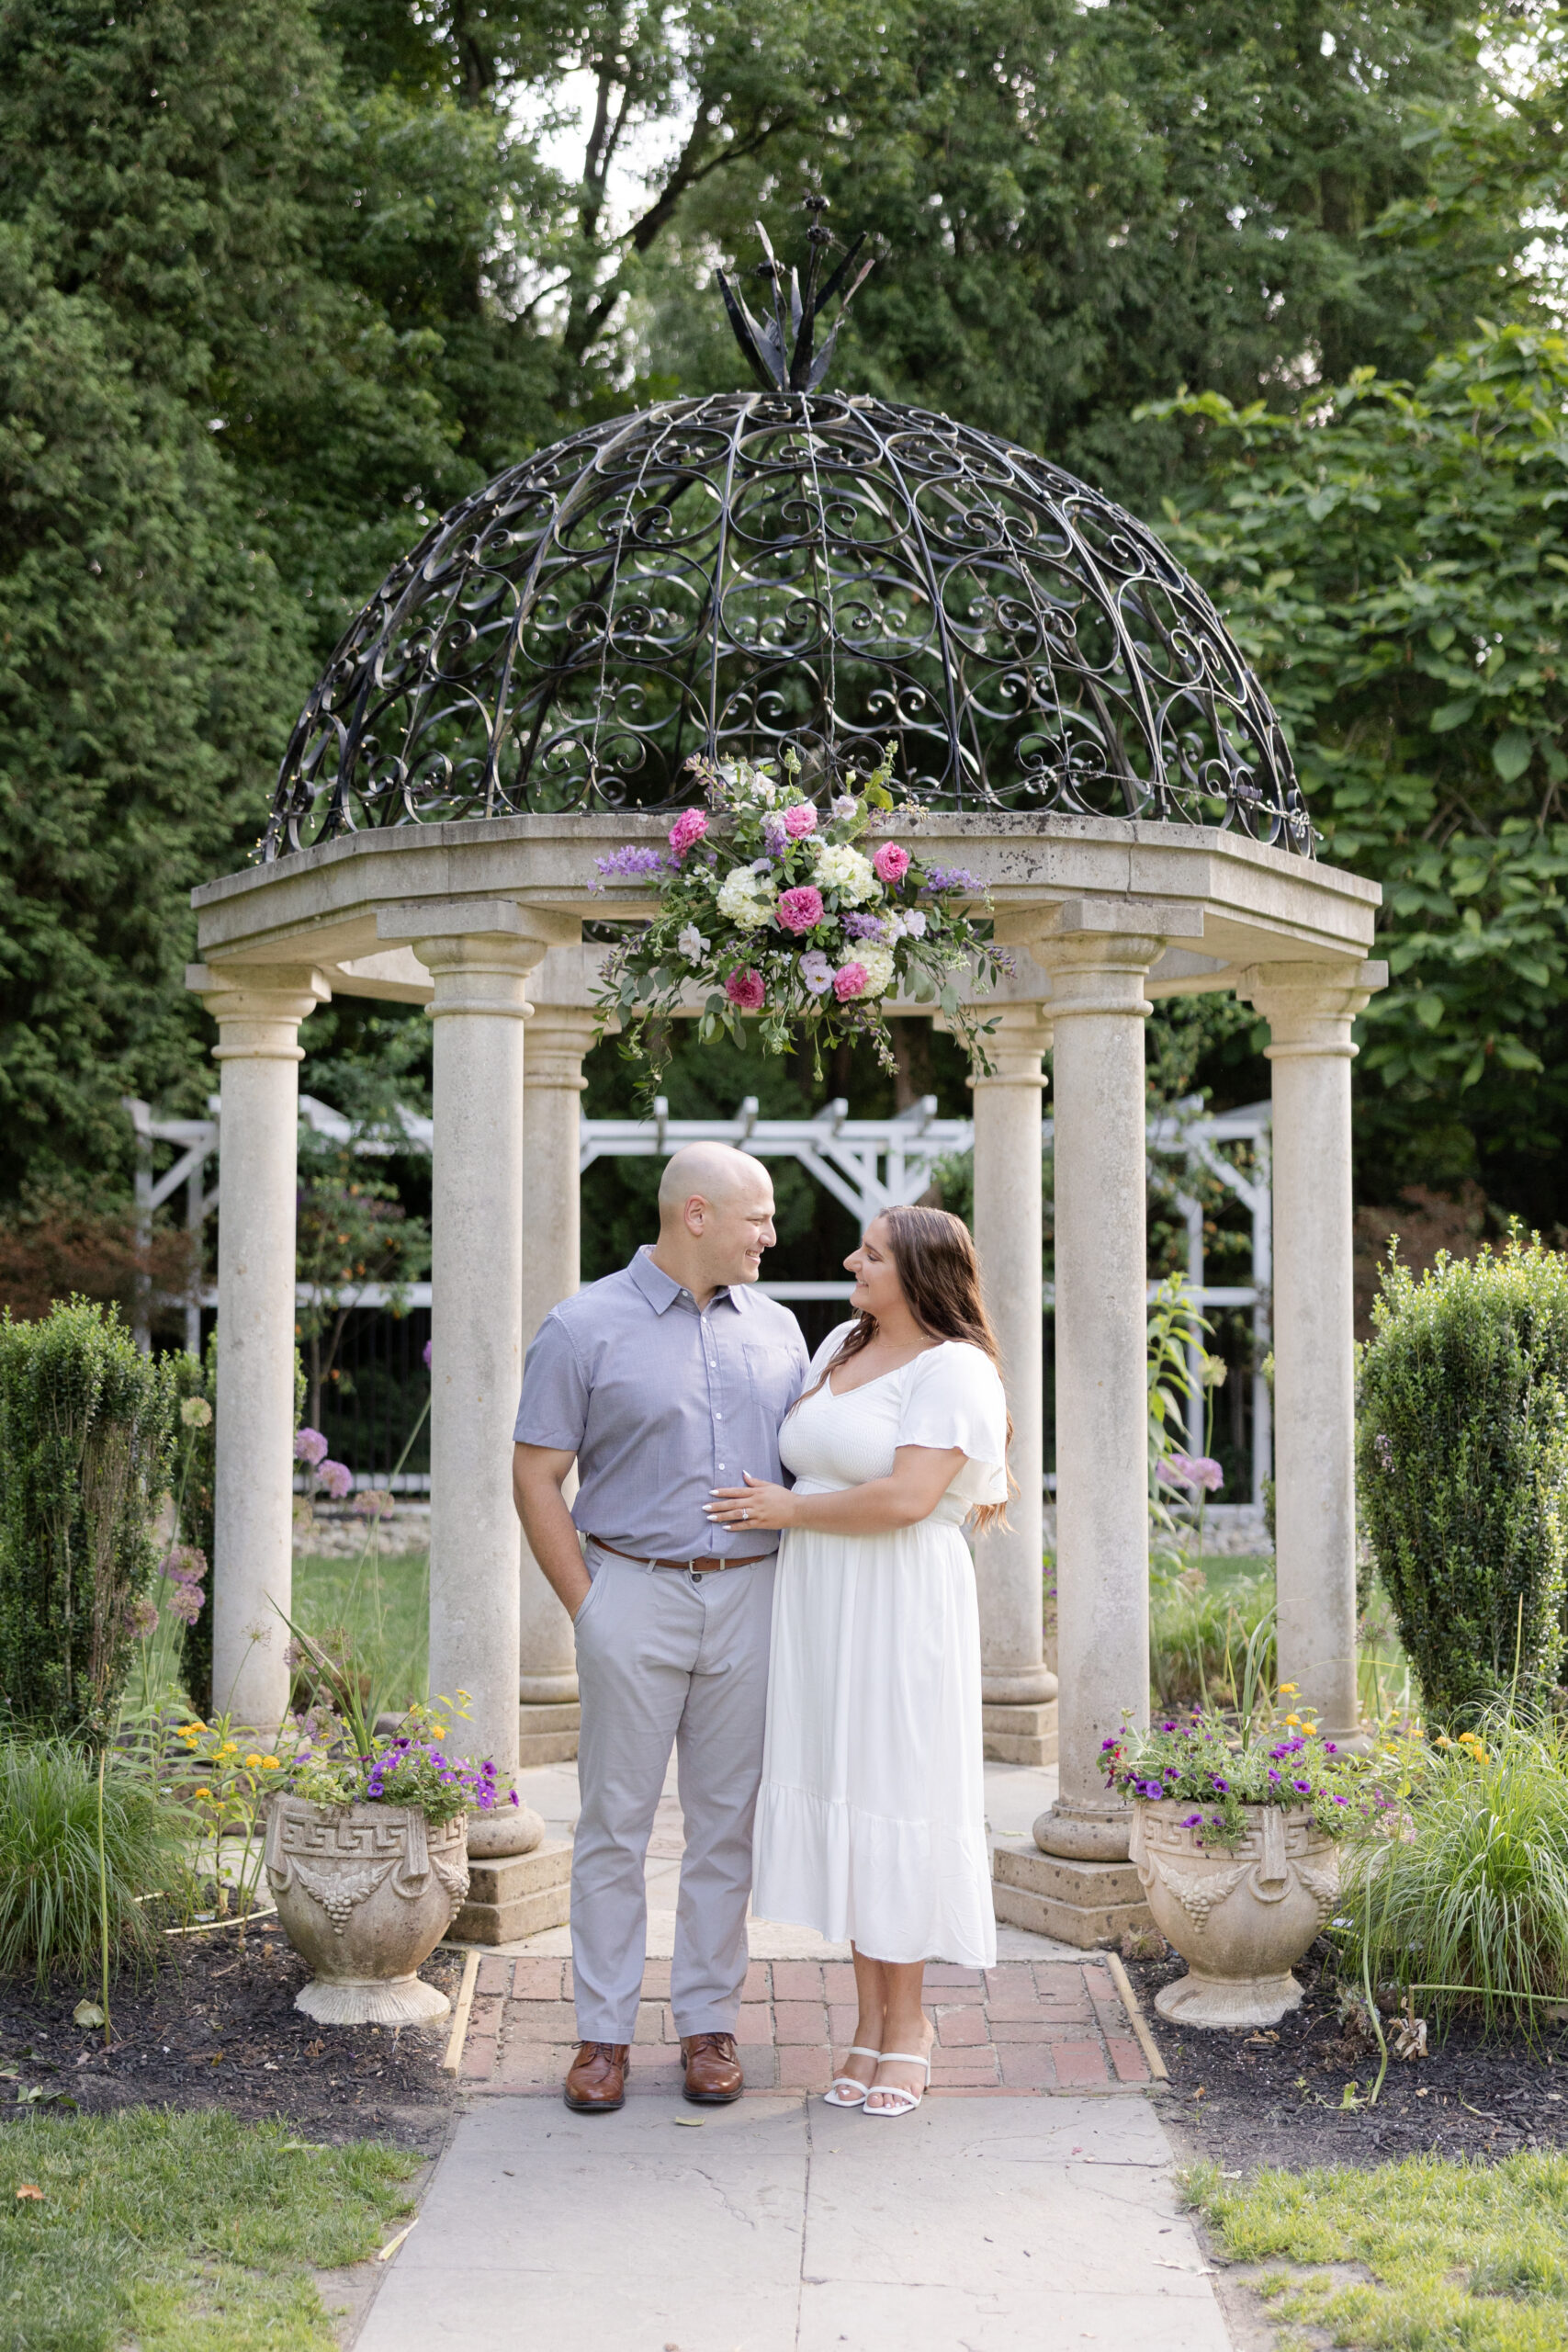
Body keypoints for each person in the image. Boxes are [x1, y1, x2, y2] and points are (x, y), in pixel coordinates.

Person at [513, 1143, 810, 2114]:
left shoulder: (781, 1331)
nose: (770, 1233)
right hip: (630, 1592)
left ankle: (708, 2026)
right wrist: (588, 1606)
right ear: (695, 1213)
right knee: (614, 1826)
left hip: (753, 1598)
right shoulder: (581, 1326)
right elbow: (535, 1475)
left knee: (727, 1828)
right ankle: (602, 2037)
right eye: (756, 1217)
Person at [705, 1204, 1009, 2117]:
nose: (851, 1261)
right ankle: (869, 2022)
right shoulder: (841, 1339)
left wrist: (786, 1512)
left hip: (900, 1604)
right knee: (847, 1797)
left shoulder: (954, 1369)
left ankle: (911, 2026)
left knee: (896, 1796)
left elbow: (911, 1496)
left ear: (919, 1275)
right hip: (822, 1605)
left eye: (871, 1254)